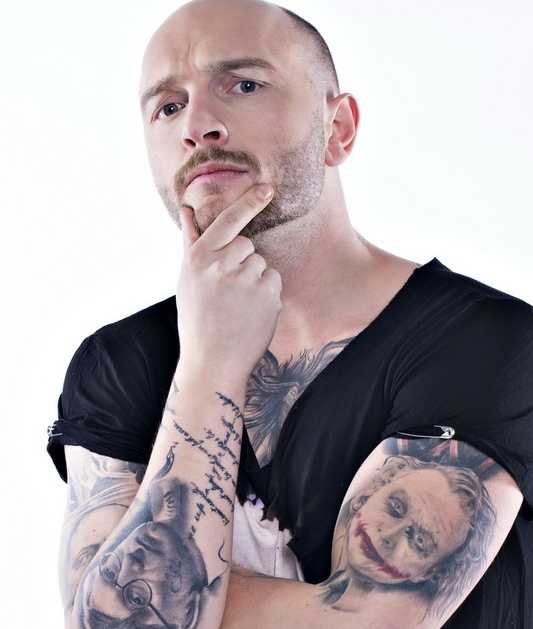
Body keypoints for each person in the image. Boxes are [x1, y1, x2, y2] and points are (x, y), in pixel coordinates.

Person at [46, 0, 533, 627]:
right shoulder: (119, 363)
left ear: (339, 129)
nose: (197, 125)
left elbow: (369, 621)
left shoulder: (488, 343)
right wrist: (209, 364)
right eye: (168, 106)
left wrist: (186, 600)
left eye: (244, 85)